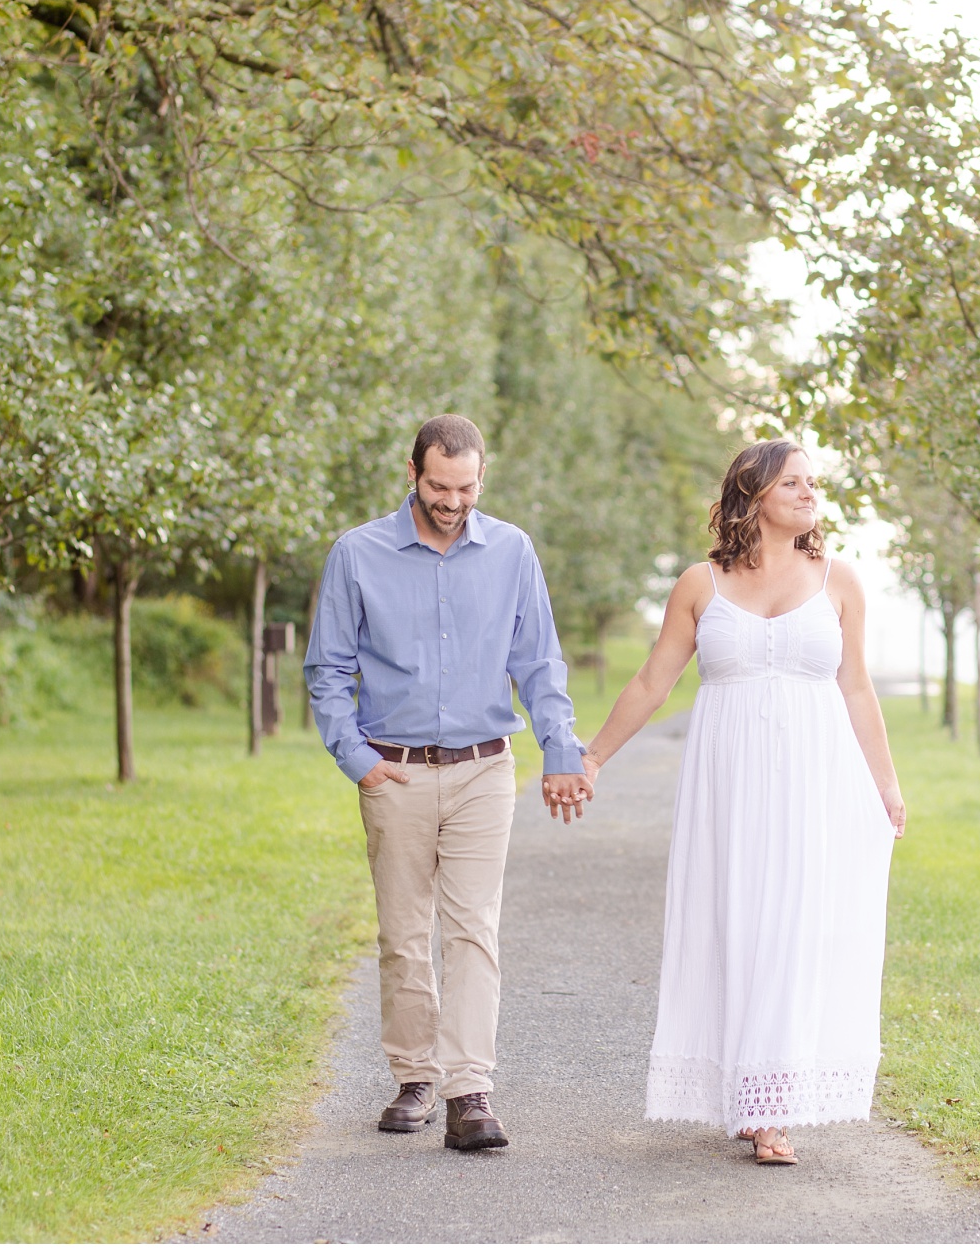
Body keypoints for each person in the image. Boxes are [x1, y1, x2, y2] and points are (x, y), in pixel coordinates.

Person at [579, 438, 906, 1166]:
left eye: (811, 483)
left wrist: (884, 783)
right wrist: (592, 755)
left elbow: (856, 688)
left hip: (814, 784)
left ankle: (772, 1109)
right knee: (734, 928)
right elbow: (650, 683)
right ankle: (741, 1087)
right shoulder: (701, 583)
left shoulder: (840, 581)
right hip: (727, 785)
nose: (807, 492)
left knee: (794, 929)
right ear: (751, 493)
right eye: (792, 482)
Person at [303, 414, 593, 1152]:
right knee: (403, 933)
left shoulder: (511, 552)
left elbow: (539, 665)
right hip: (392, 769)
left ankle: (469, 1089)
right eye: (438, 485)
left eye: (465, 487)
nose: (452, 500)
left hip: (483, 768)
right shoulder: (357, 553)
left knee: (472, 929)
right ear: (411, 473)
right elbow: (327, 669)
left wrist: (562, 750)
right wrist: (357, 758)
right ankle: (414, 1076)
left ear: (480, 480)